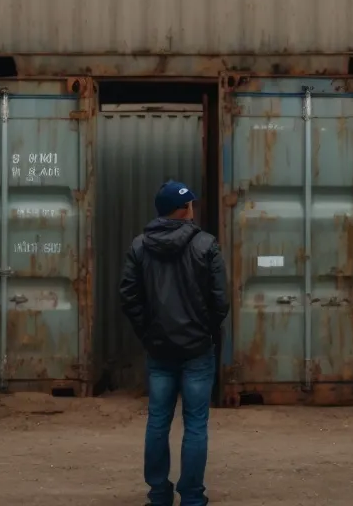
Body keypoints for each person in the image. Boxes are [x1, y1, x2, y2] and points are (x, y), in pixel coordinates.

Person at [119, 179, 228, 506]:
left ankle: (159, 495)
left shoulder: (140, 246)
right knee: (195, 425)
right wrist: (204, 332)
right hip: (197, 350)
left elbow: (129, 297)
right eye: (190, 203)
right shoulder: (207, 245)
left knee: (157, 421)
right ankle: (192, 497)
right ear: (184, 209)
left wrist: (149, 333)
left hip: (160, 350)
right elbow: (219, 301)